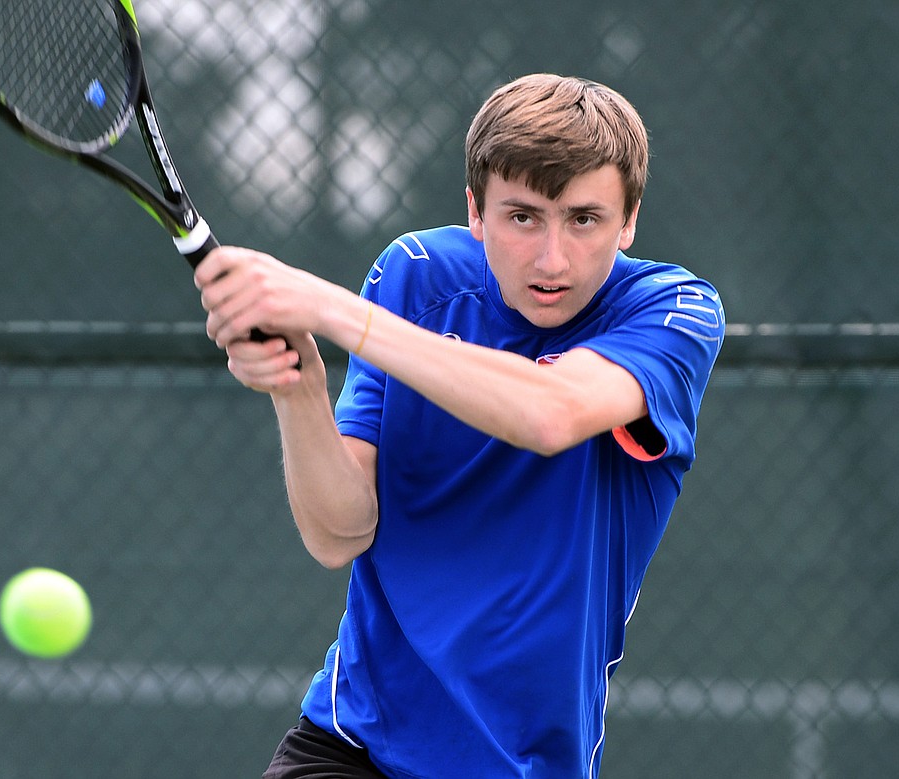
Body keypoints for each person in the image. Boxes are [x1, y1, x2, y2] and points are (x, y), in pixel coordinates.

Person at [195, 73, 724, 779]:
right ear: (476, 211)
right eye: (523, 216)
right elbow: (339, 533)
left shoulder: (674, 311)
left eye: (585, 219)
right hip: (350, 746)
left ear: (629, 221)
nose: (552, 258)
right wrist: (302, 389)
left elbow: (550, 411)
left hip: (527, 764)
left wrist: (332, 309)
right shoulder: (415, 277)